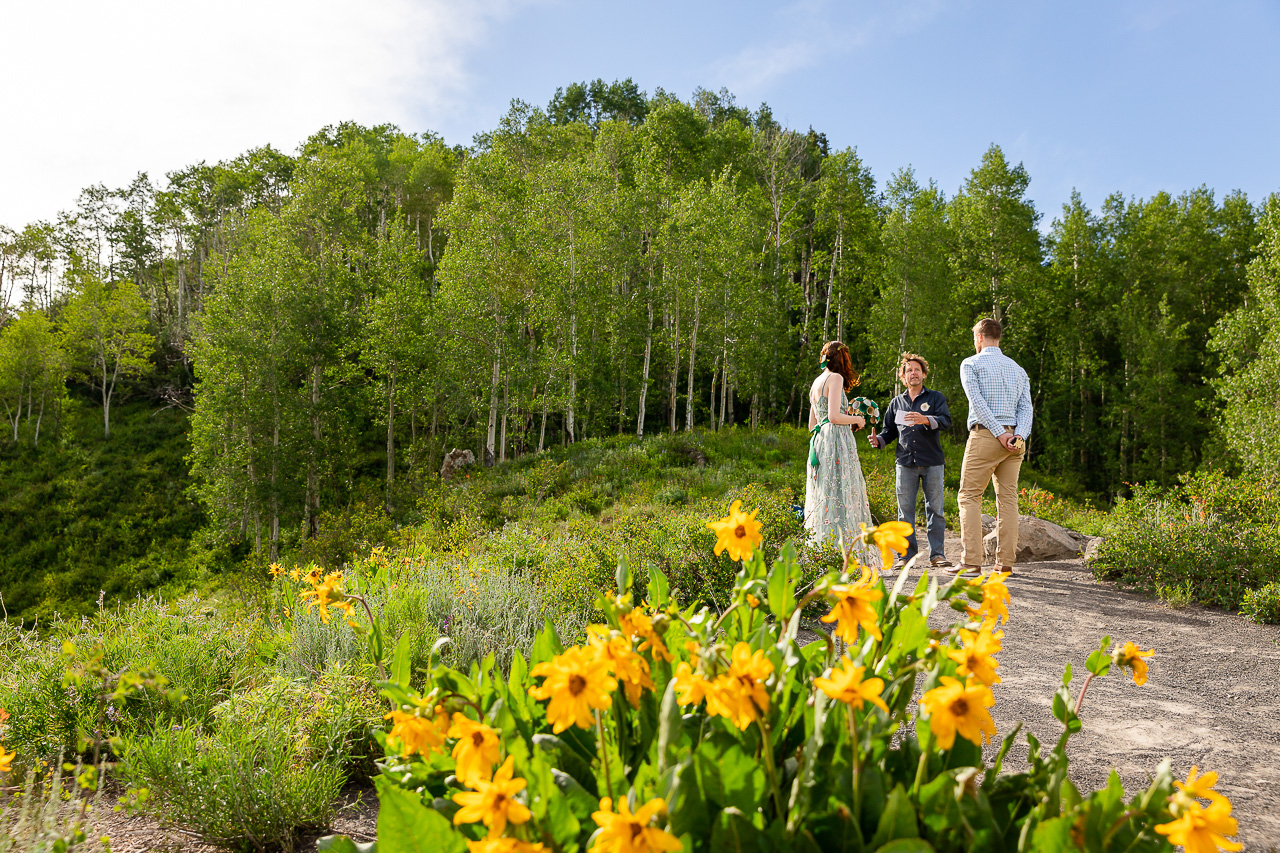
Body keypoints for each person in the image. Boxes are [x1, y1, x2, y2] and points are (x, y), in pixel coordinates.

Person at [955, 318, 1033, 576]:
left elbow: (976, 401)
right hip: (1015, 440)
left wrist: (1000, 434)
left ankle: (971, 562)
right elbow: (1026, 408)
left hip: (988, 437)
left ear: (978, 337)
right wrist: (1018, 436)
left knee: (969, 496)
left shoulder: (971, 363)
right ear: (998, 337)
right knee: (1009, 500)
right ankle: (1005, 564)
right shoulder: (1018, 369)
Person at [868, 353, 953, 569]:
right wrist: (878, 440)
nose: (913, 373)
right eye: (908, 371)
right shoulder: (896, 402)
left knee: (935, 509)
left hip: (933, 461)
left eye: (917, 369)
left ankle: (937, 555)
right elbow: (888, 432)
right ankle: (905, 557)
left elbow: (946, 421)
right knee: (904, 512)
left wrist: (926, 419)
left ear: (924, 374)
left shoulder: (935, 398)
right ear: (903, 378)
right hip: (905, 463)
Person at [804, 341, 878, 564]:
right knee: (841, 493)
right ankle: (847, 556)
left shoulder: (816, 382)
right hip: (836, 441)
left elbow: (812, 424)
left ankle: (824, 554)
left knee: (826, 494)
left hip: (820, 441)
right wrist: (857, 419)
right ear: (842, 358)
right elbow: (835, 417)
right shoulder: (835, 378)